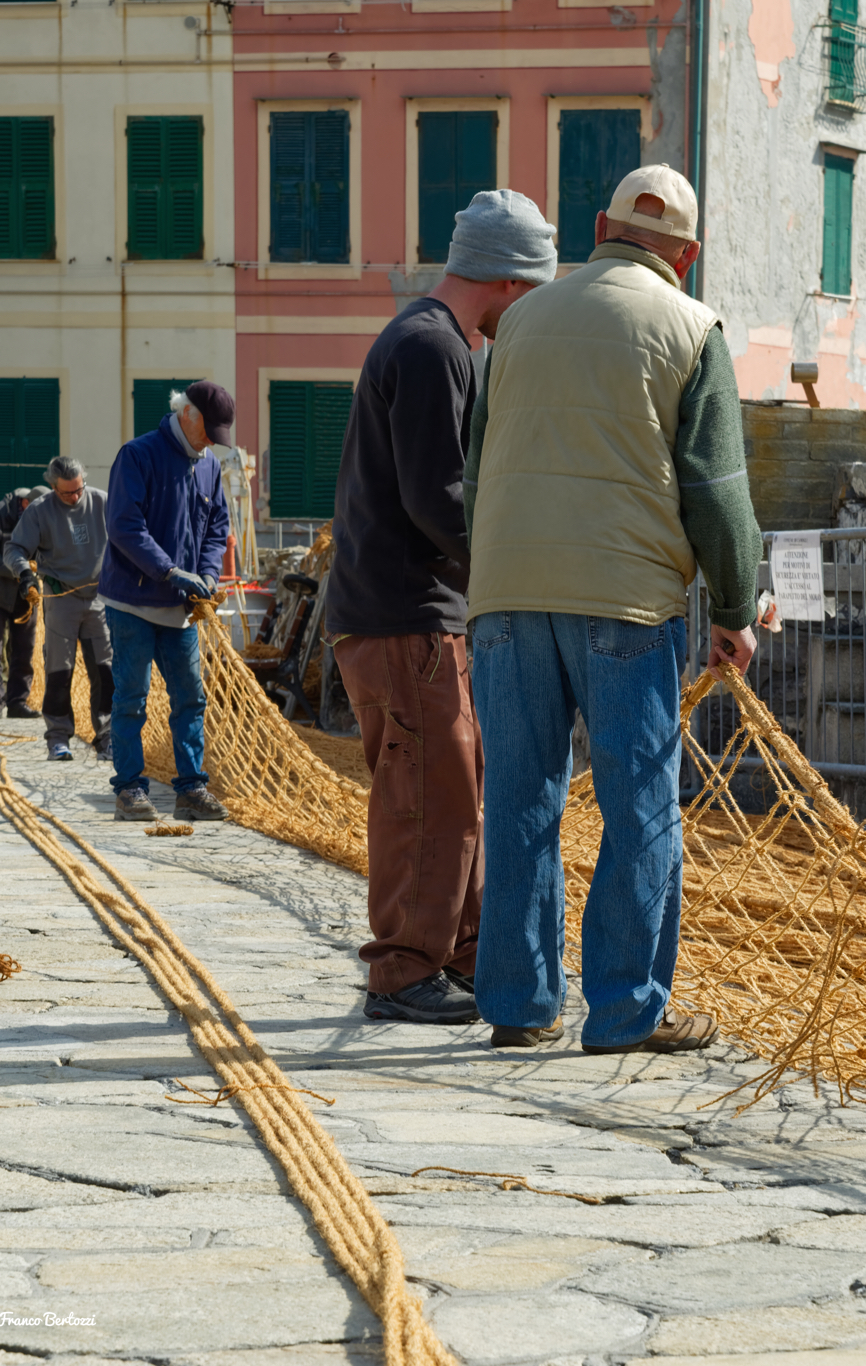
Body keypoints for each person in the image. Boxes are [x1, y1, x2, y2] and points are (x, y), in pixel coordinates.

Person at [464, 165, 762, 1051]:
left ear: (598, 226)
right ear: (688, 253)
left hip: (507, 600)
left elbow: (476, 475)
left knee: (519, 800)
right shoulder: (690, 326)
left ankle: (519, 1007)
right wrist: (736, 605)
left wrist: (491, 579)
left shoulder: (516, 320)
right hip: (626, 604)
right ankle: (628, 1010)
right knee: (641, 810)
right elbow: (714, 488)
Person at [326, 190, 559, 1025]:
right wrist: (511, 570)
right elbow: (440, 496)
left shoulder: (430, 341)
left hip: (413, 614)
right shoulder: (431, 348)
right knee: (427, 796)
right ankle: (402, 969)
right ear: (506, 280)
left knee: (453, 789)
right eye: (533, 289)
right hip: (405, 616)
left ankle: (456, 952)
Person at [99, 380, 232, 824]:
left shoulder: (210, 465)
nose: (212, 441)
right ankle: (130, 790)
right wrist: (169, 571)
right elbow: (124, 526)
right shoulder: (137, 455)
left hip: (181, 611)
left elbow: (217, 528)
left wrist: (208, 574)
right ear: (187, 413)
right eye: (209, 430)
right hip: (134, 603)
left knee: (190, 699)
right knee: (132, 699)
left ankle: (191, 789)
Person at [4, 460, 113, 762]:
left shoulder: (103, 502)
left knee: (105, 670)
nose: (75, 497)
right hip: (60, 596)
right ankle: (58, 737)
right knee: (58, 671)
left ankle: (106, 737)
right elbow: (13, 549)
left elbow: (129, 535)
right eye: (67, 494)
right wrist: (25, 573)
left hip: (98, 597)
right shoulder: (39, 510)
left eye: (79, 489)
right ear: (54, 488)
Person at [0, 484, 49, 720]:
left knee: (24, 649)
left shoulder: (42, 519)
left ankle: (17, 703)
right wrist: (18, 570)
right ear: (25, 504)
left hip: (24, 594)